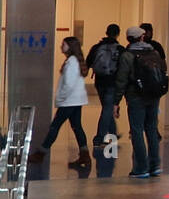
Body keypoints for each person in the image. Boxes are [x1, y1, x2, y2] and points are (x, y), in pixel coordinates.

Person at [115, 25, 168, 179]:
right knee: (151, 128)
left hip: (135, 96)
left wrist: (116, 101)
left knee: (137, 130)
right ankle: (155, 165)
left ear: (128, 39)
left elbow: (121, 79)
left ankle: (140, 168)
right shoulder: (154, 52)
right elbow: (162, 71)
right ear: (142, 37)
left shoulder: (127, 55)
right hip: (153, 95)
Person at [30, 36, 92, 168]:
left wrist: (60, 98)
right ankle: (84, 155)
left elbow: (68, 85)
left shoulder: (71, 62)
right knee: (76, 127)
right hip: (76, 100)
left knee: (55, 126)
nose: (61, 46)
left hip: (69, 101)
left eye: (63, 44)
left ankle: (41, 153)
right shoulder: (75, 61)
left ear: (70, 46)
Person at [87, 24, 123, 146]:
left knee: (106, 108)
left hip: (99, 81)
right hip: (112, 82)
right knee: (107, 109)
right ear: (118, 34)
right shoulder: (120, 49)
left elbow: (88, 62)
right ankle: (99, 138)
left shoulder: (97, 47)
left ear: (106, 32)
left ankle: (113, 133)